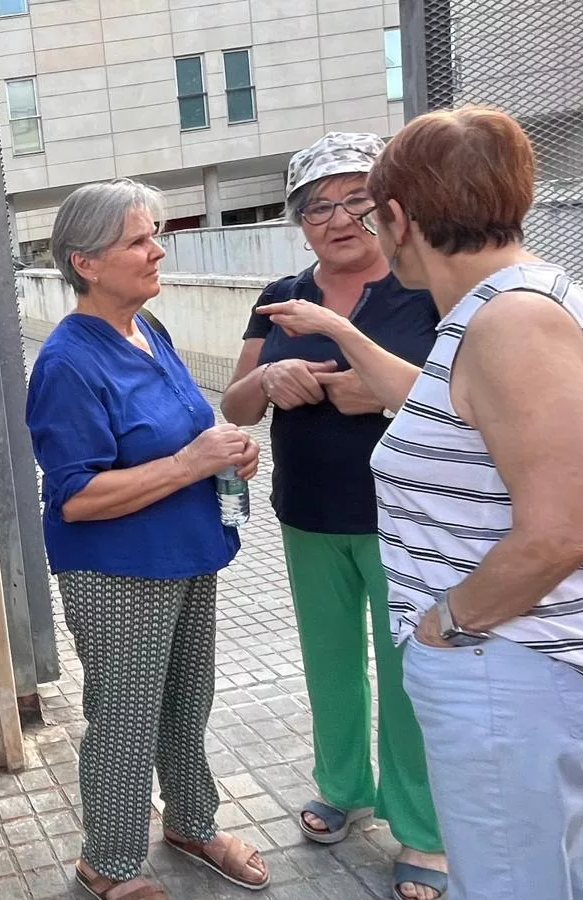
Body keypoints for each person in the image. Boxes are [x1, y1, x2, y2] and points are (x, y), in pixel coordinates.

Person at [259, 106, 583, 900]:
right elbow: (441, 407)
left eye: (366, 209)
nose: (357, 226)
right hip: (513, 663)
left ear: (399, 218)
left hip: (509, 663)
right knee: (546, 876)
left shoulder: (513, 321)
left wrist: (446, 625)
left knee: (507, 884)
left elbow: (561, 531)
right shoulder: (500, 307)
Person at [26, 178, 269, 900]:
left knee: (187, 704)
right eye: (137, 240)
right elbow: (75, 497)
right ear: (86, 263)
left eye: (153, 235)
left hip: (186, 553)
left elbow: (184, 426)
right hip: (119, 573)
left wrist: (226, 451)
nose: (157, 250)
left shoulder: (147, 329)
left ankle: (192, 823)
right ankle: (107, 863)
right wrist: (190, 463)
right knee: (125, 720)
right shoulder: (67, 363)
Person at [219, 133, 446, 900]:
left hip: (407, 520)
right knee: (330, 663)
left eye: (357, 200)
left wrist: (380, 395)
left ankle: (423, 830)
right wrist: (271, 376)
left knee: (412, 674)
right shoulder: (282, 295)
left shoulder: (426, 290)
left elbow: (463, 400)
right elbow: (235, 406)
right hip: (309, 511)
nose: (339, 219)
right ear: (299, 221)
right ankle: (343, 786)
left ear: (391, 208)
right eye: (318, 206)